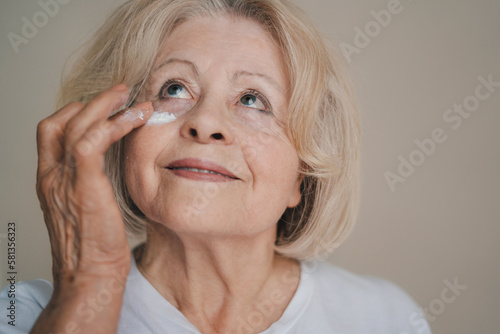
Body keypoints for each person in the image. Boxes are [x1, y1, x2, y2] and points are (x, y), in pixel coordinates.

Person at [0, 0, 432, 333]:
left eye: (252, 99)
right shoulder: (27, 314)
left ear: (301, 176)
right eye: (174, 88)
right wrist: (91, 285)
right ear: (119, 136)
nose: (205, 123)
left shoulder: (384, 317)